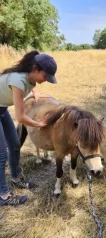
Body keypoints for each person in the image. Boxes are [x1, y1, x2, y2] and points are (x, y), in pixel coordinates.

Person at [0, 50, 57, 206]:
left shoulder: (29, 77)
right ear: (35, 69)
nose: (45, 80)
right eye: (45, 76)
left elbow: (31, 85)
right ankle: (3, 195)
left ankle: (16, 178)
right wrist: (39, 124)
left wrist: (36, 92)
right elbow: (21, 118)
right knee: (1, 152)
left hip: (2, 108)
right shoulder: (18, 81)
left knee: (15, 144)